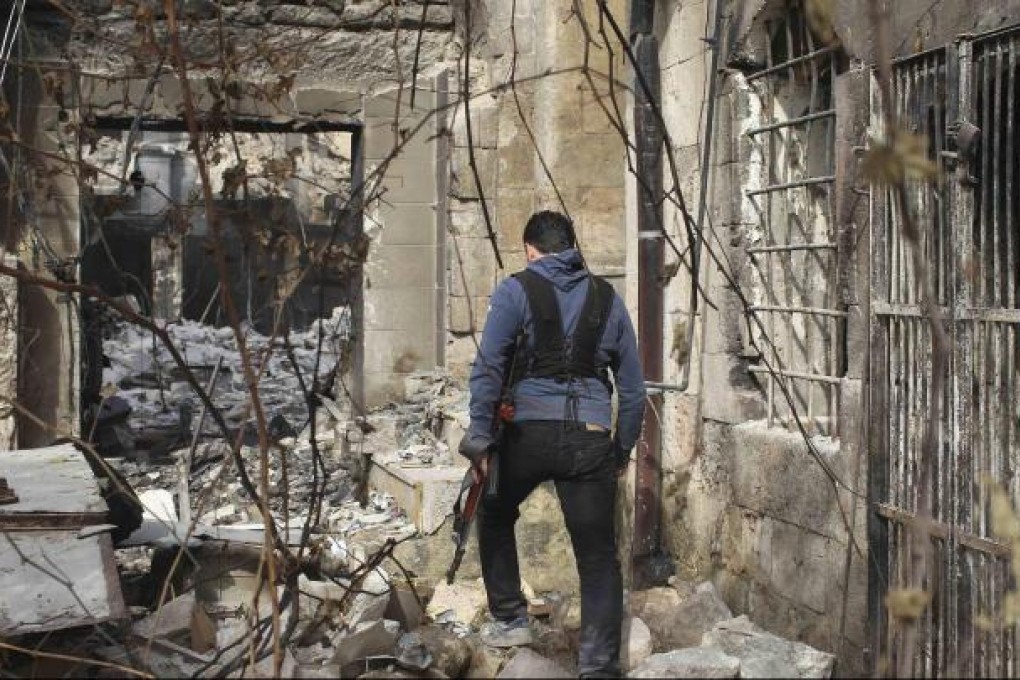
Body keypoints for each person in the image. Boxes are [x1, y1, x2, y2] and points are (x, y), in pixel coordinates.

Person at [458, 210, 645, 678]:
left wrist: (480, 442)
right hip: (589, 440)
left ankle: (511, 618)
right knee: (598, 553)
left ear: (530, 250)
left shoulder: (514, 291)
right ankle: (599, 665)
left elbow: (488, 371)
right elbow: (634, 390)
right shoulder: (609, 298)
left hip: (527, 435)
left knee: (495, 510)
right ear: (574, 247)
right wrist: (621, 450)